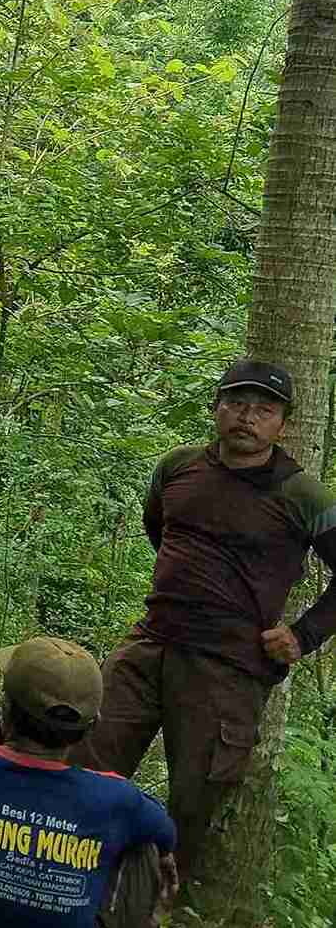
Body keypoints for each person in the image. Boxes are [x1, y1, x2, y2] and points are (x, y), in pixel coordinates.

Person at [68, 358, 336, 891]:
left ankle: (160, 901)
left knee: (193, 801)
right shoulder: (177, 468)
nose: (247, 418)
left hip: (228, 669)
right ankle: (68, 882)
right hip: (149, 645)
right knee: (85, 763)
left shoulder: (303, 496)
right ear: (217, 408)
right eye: (237, 403)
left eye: (264, 409)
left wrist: (303, 635)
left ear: (282, 424)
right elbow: (160, 530)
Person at [0, 636, 178, 928]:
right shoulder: (116, 799)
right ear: (92, 727)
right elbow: (165, 832)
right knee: (144, 848)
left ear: (6, 710)